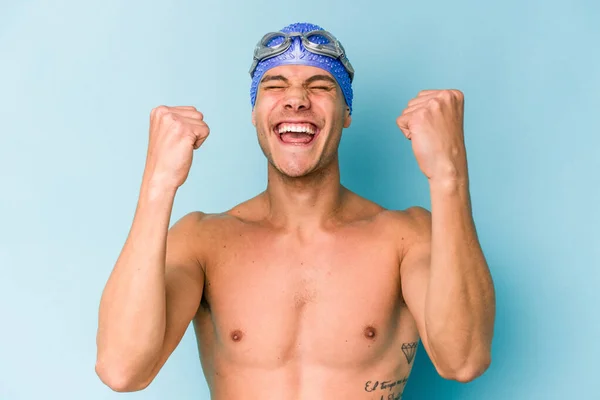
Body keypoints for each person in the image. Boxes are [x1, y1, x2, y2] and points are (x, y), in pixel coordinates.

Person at [95, 22, 496, 399]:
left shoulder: (405, 237)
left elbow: (463, 360)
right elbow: (122, 369)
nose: (296, 99)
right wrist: (158, 184)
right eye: (275, 84)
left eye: (320, 85)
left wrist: (448, 175)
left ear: (347, 113)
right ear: (254, 114)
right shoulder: (204, 239)